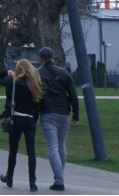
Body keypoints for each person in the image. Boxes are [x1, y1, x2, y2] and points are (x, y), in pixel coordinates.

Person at [37, 46, 80, 192]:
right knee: (62, 144)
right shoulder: (64, 73)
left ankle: (59, 180)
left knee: (52, 146)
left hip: (48, 112)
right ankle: (59, 178)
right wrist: (76, 114)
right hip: (63, 112)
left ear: (41, 59)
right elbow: (73, 95)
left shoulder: (38, 73)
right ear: (53, 57)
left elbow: (35, 96)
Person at [0, 58, 44, 192]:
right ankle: (32, 182)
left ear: (18, 69)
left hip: (17, 118)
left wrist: (6, 73)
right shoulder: (34, 85)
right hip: (29, 119)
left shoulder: (14, 83)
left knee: (13, 150)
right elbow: (38, 106)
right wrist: (34, 119)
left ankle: (10, 177)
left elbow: (0, 84)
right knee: (31, 152)